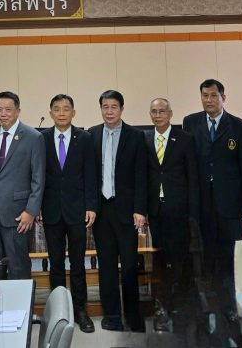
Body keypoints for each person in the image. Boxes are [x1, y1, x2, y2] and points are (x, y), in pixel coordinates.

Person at [182, 79, 242, 312]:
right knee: (205, 254)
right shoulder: (190, 122)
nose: (209, 100)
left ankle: (231, 304)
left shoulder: (239, 126)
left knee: (230, 254)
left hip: (230, 202)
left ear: (223, 97)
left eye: (213, 95)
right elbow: (187, 162)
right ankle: (210, 305)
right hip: (201, 201)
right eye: (205, 95)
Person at [90, 89, 147, 332]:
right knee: (106, 266)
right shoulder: (91, 134)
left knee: (130, 265)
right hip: (101, 210)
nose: (109, 111)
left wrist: (140, 209)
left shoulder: (136, 136)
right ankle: (112, 316)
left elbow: (142, 175)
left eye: (114, 107)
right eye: (105, 106)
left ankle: (133, 317)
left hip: (127, 211)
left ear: (122, 109)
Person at [39, 94, 97, 334]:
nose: (61, 113)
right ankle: (58, 312)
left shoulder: (84, 138)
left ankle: (81, 310)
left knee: (77, 263)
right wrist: (37, 207)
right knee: (55, 263)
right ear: (50, 113)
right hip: (51, 210)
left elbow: (91, 174)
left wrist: (91, 206)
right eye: (57, 109)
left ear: (74, 113)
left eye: (66, 109)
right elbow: (38, 176)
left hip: (77, 211)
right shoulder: (41, 138)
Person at [0, 91, 45, 280]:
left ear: (18, 111)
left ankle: (21, 300)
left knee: (18, 267)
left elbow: (38, 179)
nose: (3, 114)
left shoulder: (33, 137)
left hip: (19, 215)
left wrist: (31, 211)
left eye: (8, 109)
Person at [145, 97, 198, 333]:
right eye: (154, 111)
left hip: (179, 210)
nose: (158, 115)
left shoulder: (185, 139)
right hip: (155, 211)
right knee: (160, 259)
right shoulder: (145, 139)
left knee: (180, 259)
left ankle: (180, 307)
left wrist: (192, 210)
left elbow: (192, 177)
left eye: (162, 111)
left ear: (170, 113)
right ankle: (162, 306)